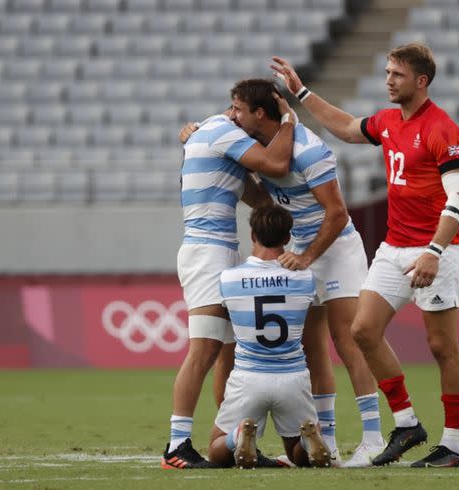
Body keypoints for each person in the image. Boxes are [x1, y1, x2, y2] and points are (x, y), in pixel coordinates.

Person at [271, 42, 459, 468]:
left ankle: (452, 445)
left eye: (396, 74)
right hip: (394, 247)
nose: (388, 81)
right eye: (386, 72)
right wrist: (301, 92)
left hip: (437, 250)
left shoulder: (443, 130)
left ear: (420, 81)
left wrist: (434, 251)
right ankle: (406, 423)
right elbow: (345, 126)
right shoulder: (388, 122)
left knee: (442, 347)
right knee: (362, 330)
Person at [179, 79, 386, 467]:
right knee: (311, 351)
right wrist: (199, 137)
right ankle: (328, 441)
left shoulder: (308, 150)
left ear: (260, 113)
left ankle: (373, 438)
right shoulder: (260, 147)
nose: (231, 115)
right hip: (300, 250)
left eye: (237, 108)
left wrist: (307, 257)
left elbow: (338, 213)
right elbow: (256, 192)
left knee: (349, 341)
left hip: (335, 248)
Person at [161, 95, 296, 469]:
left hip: (219, 251)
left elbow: (258, 198)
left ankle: (234, 439)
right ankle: (176, 445)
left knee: (230, 353)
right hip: (206, 252)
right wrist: (288, 122)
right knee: (203, 350)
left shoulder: (215, 137)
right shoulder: (221, 130)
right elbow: (275, 163)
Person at [208, 204, 331, 468]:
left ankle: (237, 437)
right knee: (297, 452)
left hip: (249, 376)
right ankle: (310, 442)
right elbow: (315, 336)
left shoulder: (229, 279)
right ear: (287, 238)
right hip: (293, 377)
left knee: (217, 448)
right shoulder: (307, 279)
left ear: (253, 234)